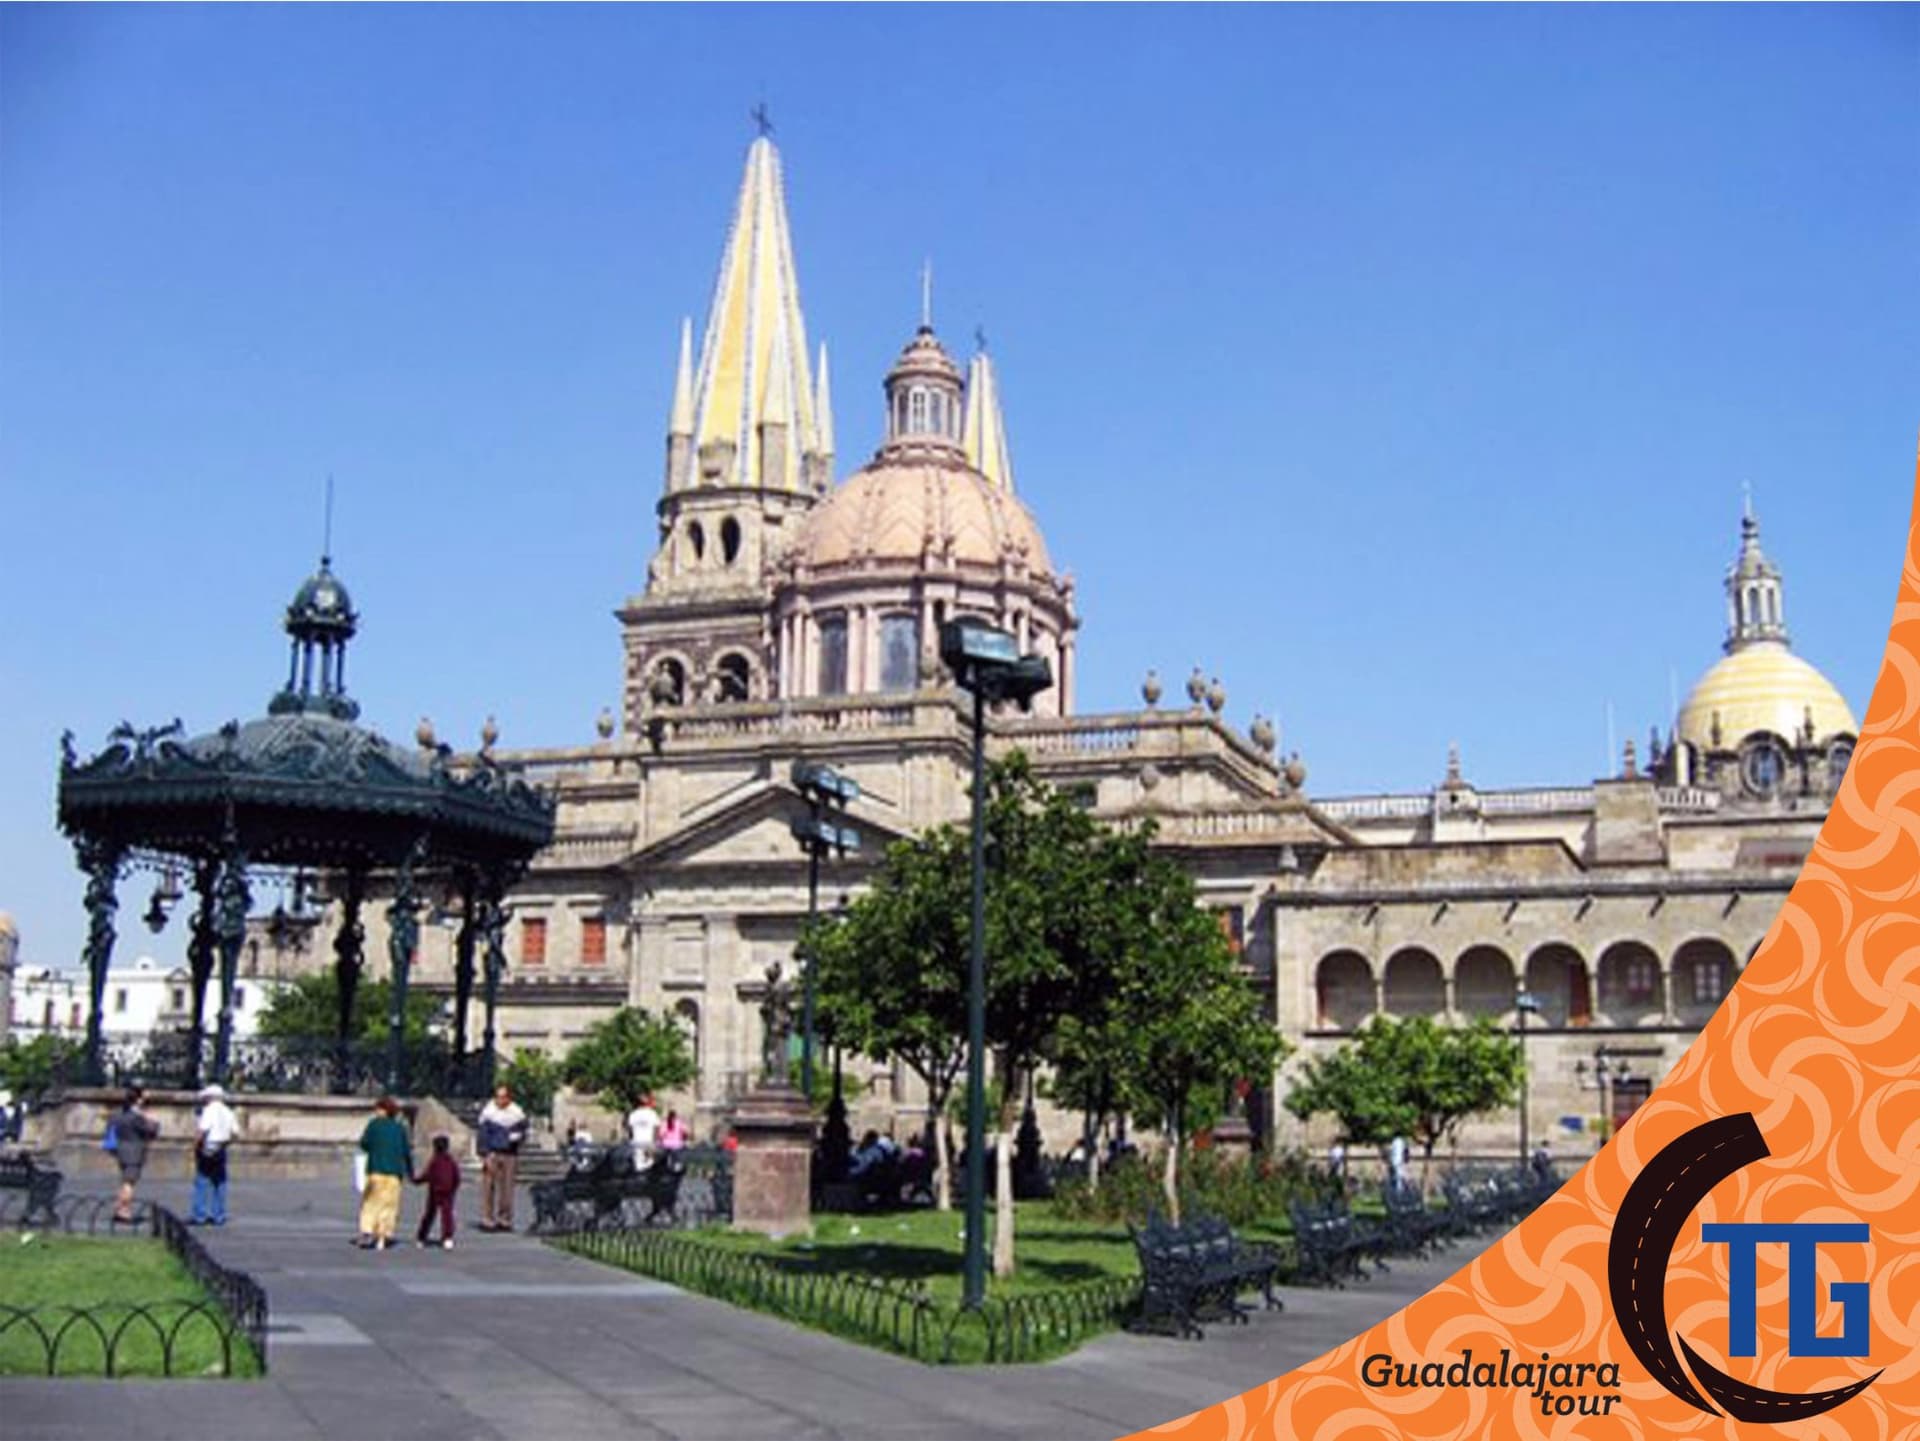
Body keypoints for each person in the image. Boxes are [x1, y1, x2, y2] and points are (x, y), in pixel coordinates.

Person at [356, 1096, 412, 1250]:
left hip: (376, 1169)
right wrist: (410, 1172)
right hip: (394, 1173)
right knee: (389, 1206)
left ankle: (367, 1231)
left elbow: (364, 1144)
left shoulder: (374, 1125)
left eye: (378, 1109)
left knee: (371, 1203)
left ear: (383, 1110)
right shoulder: (399, 1128)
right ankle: (383, 1235)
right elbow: (406, 1152)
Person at [475, 1085, 528, 1232]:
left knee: (507, 1188)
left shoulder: (517, 1113)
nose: (500, 1100)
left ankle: (504, 1219)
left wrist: (518, 1138)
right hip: (492, 1152)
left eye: (503, 1097)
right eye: (498, 1097)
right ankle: (487, 1219)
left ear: (509, 1099)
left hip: (510, 1154)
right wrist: (484, 1153)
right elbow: (482, 1135)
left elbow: (523, 1131)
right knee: (488, 1187)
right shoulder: (488, 1113)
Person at [110, 1086, 160, 1223]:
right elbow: (150, 1131)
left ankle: (119, 1207)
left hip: (121, 1150)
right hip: (134, 1151)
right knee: (129, 1183)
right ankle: (124, 1210)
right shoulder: (136, 1117)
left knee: (125, 1181)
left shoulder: (119, 1115)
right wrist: (154, 1122)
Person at [189, 1083, 236, 1226]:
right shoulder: (228, 1112)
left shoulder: (208, 1111)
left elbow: (202, 1130)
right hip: (221, 1147)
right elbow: (235, 1132)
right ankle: (218, 1214)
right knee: (219, 1182)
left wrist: (195, 1145)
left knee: (202, 1180)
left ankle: (200, 1214)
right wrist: (226, 1143)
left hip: (207, 1147)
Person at [414, 1134, 461, 1249]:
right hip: (448, 1192)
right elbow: (457, 1177)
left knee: (429, 1214)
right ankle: (447, 1237)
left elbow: (428, 1175)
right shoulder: (451, 1161)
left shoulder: (434, 1161)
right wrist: (454, 1188)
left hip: (435, 1191)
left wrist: (417, 1180)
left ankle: (421, 1237)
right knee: (447, 1215)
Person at [626, 1093, 661, 1171]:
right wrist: (655, 1142)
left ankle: (640, 1177)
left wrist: (632, 1139)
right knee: (649, 1163)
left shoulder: (633, 1114)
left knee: (638, 1164)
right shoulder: (652, 1113)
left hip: (637, 1142)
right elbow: (656, 1129)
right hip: (648, 1142)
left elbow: (630, 1130)